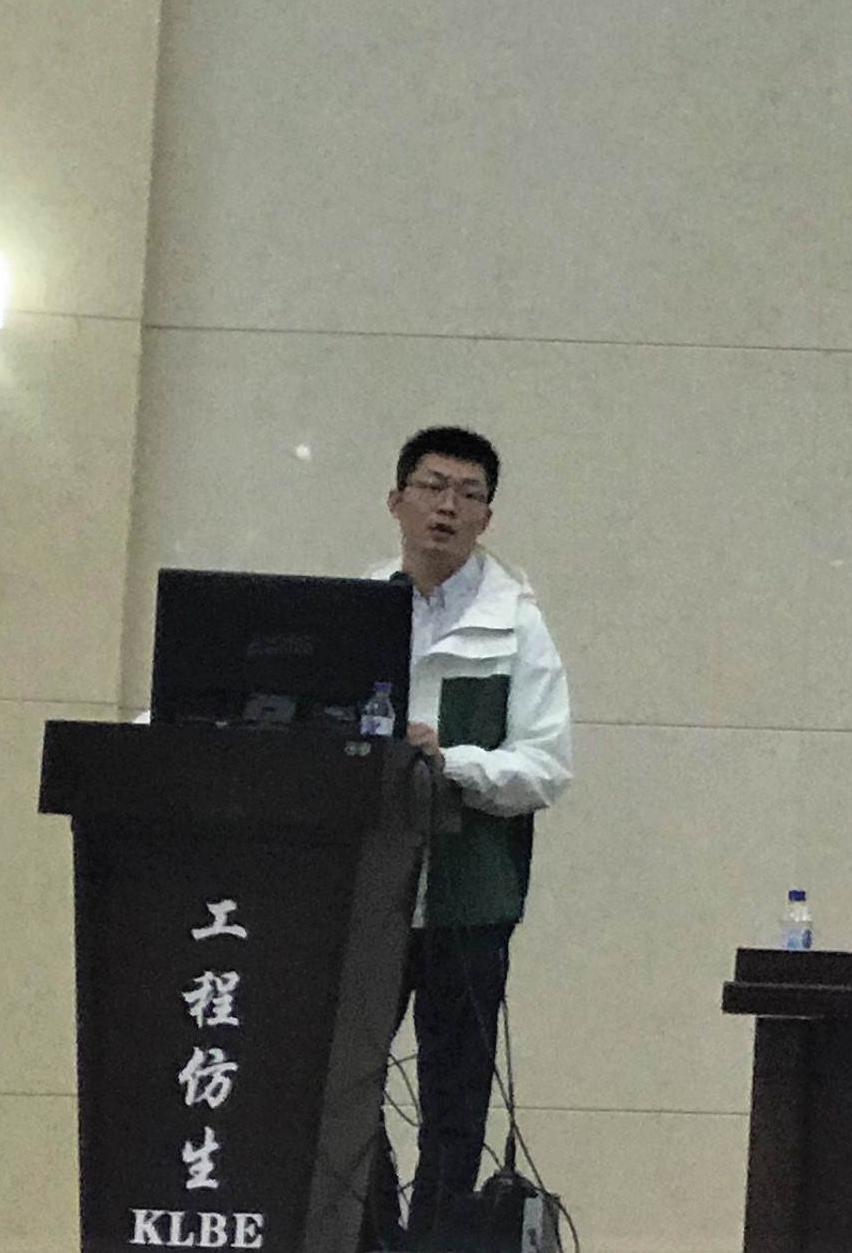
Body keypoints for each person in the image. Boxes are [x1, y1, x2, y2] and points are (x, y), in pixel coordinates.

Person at [366, 426, 573, 1251]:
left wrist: (452, 762)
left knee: (455, 1110)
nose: (447, 506)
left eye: (469, 493)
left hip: (467, 900)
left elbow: (546, 767)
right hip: (363, 895)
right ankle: (373, 1236)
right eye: (432, 486)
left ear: (487, 517)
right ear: (396, 501)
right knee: (339, 1087)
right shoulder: (356, 608)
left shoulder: (517, 624)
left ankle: (437, 1242)